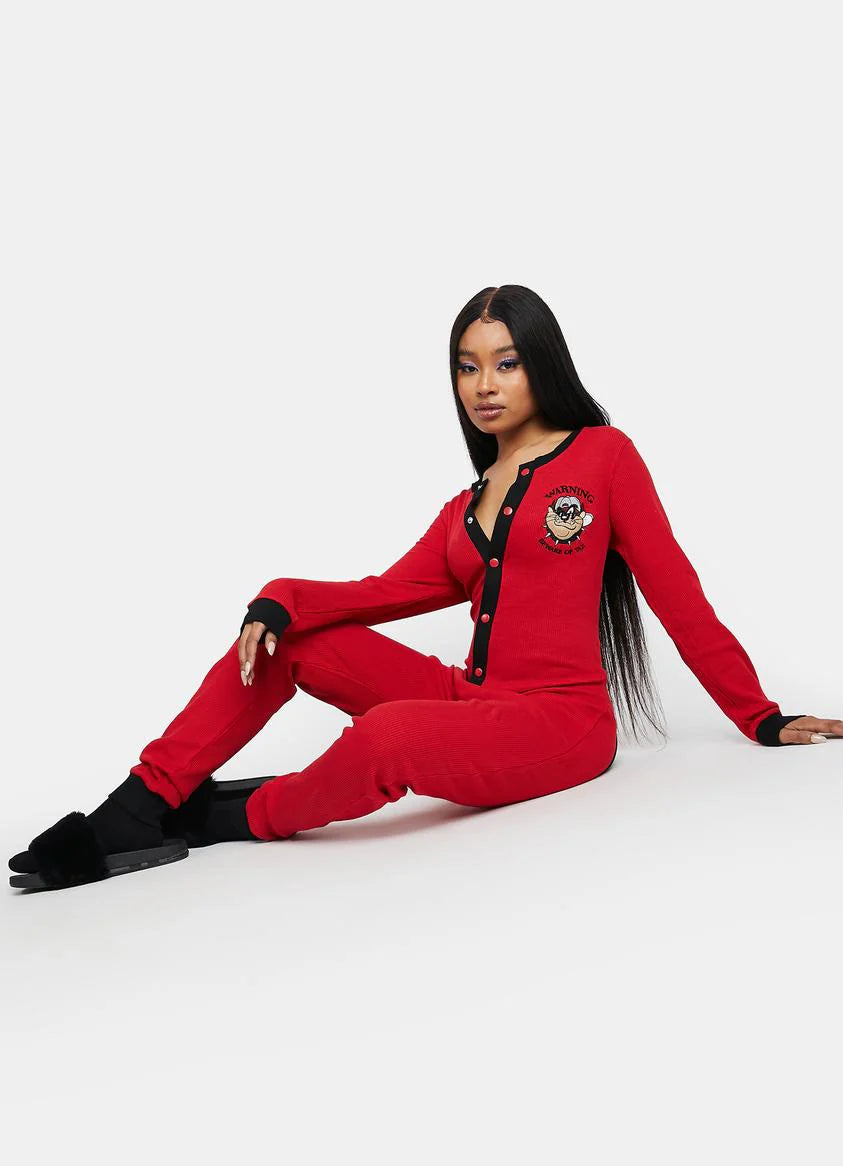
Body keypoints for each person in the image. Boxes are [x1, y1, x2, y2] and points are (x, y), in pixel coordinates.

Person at [10, 284, 841, 891]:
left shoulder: (603, 457)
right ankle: (140, 803)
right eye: (467, 367)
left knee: (390, 737)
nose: (484, 385)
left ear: (541, 364)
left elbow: (677, 595)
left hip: (561, 722)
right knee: (292, 642)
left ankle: (227, 816)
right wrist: (279, 596)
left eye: (506, 363)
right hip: (473, 699)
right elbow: (383, 591)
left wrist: (759, 716)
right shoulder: (466, 506)